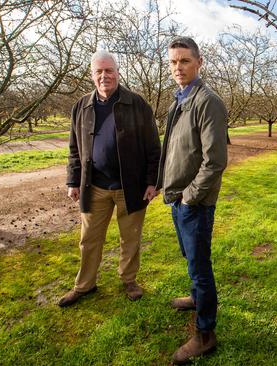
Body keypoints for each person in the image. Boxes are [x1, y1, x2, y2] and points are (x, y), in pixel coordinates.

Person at [59, 50, 161, 307]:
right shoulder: (81, 107)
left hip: (132, 187)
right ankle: (85, 285)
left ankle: (129, 280)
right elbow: (74, 148)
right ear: (92, 75)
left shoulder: (137, 104)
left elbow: (153, 147)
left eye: (109, 71)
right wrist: (73, 181)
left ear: (117, 72)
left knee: (131, 239)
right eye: (99, 71)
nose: (104, 76)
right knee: (89, 239)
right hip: (94, 187)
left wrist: (152, 181)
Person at [158, 37, 228, 364]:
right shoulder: (178, 100)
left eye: (184, 61)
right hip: (177, 197)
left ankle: (205, 334)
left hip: (194, 202)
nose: (177, 68)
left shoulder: (206, 101)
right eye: (173, 62)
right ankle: (197, 300)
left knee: (200, 266)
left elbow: (214, 160)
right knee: (190, 258)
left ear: (199, 62)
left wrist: (189, 198)